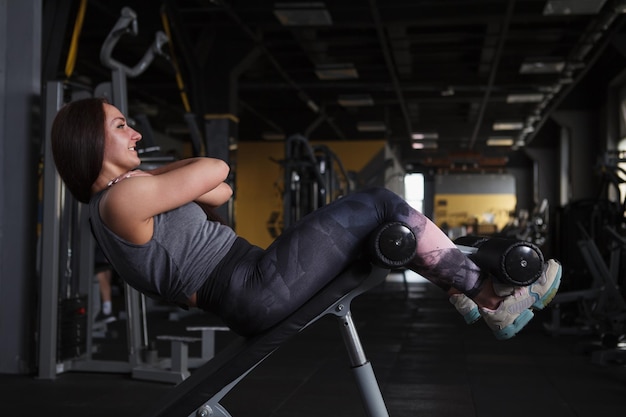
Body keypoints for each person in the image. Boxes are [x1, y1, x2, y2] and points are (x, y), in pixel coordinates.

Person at [50, 97, 562, 340]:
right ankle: (489, 296)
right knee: (380, 202)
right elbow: (218, 167)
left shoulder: (131, 193)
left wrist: (165, 176)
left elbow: (220, 193)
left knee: (377, 226)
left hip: (251, 279)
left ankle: (462, 289)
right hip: (247, 285)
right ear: (92, 142)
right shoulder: (119, 201)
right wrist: (168, 172)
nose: (136, 132)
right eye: (121, 126)